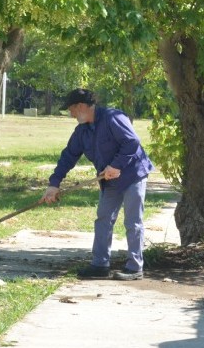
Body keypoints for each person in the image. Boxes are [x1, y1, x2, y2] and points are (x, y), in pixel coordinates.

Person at [41, 88, 154, 281]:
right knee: (103, 219)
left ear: (81, 106)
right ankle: (100, 265)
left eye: (72, 109)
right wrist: (54, 184)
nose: (71, 114)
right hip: (108, 179)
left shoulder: (113, 118)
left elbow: (132, 142)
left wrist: (116, 165)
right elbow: (68, 156)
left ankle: (135, 268)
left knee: (132, 221)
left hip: (132, 175)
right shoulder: (82, 131)